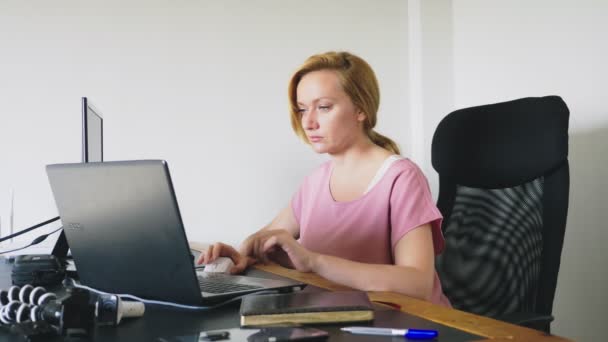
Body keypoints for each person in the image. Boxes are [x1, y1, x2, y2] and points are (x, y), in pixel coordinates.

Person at [197, 51, 451, 307]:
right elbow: (266, 238)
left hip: (402, 325)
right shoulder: (316, 181)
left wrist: (313, 261)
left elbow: (417, 283)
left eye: (324, 107)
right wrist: (240, 254)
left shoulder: (401, 177)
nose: (308, 122)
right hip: (333, 318)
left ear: (361, 108)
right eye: (302, 109)